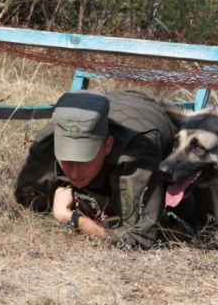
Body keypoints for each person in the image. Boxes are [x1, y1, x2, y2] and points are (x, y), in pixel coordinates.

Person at [14, 90, 208, 248]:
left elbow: (139, 239)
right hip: (113, 103)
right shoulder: (47, 141)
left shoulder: (137, 151)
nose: (73, 172)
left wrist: (72, 218)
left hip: (147, 110)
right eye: (66, 159)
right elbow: (27, 199)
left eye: (84, 159)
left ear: (108, 145)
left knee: (196, 218)